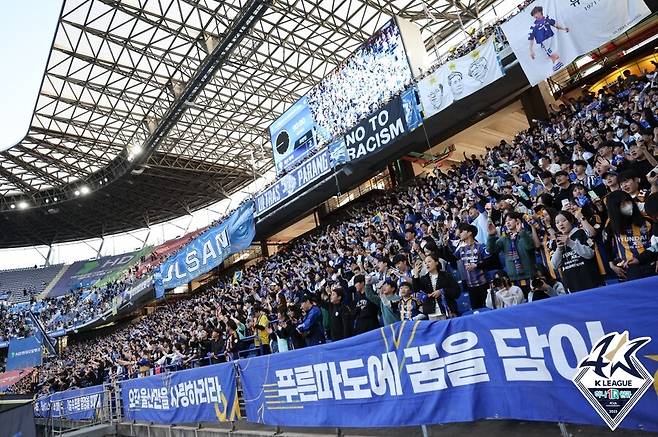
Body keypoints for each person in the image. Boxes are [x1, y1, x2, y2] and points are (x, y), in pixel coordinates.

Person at [604, 190, 656, 280]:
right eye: (622, 204)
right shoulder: (610, 224)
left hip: (650, 264)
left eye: (628, 201)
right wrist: (611, 265)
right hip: (628, 268)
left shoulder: (648, 220)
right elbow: (607, 244)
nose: (627, 206)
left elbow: (656, 243)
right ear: (614, 208)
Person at [550, 211, 604, 292]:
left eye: (564, 221)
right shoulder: (557, 241)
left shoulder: (581, 233)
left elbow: (590, 254)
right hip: (571, 285)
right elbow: (554, 265)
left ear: (571, 220)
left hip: (590, 280)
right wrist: (559, 249)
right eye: (557, 222)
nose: (560, 224)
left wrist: (570, 242)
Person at [487, 212, 536, 293]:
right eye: (506, 221)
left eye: (510, 220)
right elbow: (491, 250)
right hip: (512, 279)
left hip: (529, 277)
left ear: (518, 221)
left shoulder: (526, 234)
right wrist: (491, 236)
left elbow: (529, 247)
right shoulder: (504, 239)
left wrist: (521, 232)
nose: (507, 222)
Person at [453, 223, 491, 309]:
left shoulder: (480, 246)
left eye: (462, 231)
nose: (460, 234)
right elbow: (451, 259)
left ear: (470, 233)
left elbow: (489, 261)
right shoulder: (461, 248)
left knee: (488, 308)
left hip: (483, 284)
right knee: (476, 311)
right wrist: (444, 245)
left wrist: (476, 265)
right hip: (470, 286)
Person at [411, 252, 460, 319]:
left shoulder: (446, 275)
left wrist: (442, 291)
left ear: (436, 262)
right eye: (425, 263)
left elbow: (456, 292)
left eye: (429, 261)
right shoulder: (423, 279)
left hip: (448, 311)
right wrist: (416, 275)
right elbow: (416, 290)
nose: (427, 264)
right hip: (432, 313)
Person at [527, 6, 569, 72]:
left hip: (552, 39)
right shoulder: (534, 26)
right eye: (534, 15)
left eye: (536, 13)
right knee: (551, 55)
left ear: (540, 12)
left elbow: (555, 25)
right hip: (544, 43)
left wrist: (563, 28)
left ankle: (557, 65)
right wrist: (531, 50)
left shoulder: (547, 19)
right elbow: (531, 38)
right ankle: (556, 66)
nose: (535, 16)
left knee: (555, 53)